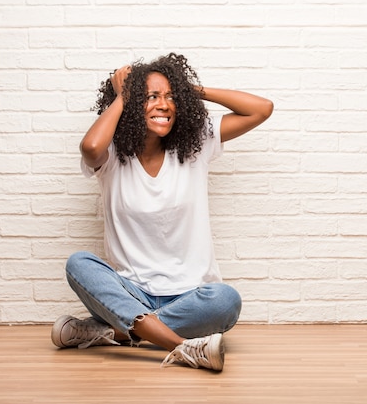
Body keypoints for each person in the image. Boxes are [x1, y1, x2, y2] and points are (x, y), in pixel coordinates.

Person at [50, 53, 273, 371]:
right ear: (131, 103)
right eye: (151, 97)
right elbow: (90, 148)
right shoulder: (111, 155)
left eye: (171, 97)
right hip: (131, 291)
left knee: (226, 300)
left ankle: (110, 332)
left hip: (190, 294)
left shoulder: (197, 144)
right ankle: (182, 347)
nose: (164, 105)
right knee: (79, 264)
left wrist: (190, 90)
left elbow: (261, 109)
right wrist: (123, 95)